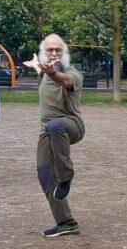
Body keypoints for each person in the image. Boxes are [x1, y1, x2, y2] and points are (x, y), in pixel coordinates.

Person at [23, 35, 85, 238]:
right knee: (45, 174)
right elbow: (46, 72)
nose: (54, 53)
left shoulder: (72, 73)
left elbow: (63, 80)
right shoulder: (44, 72)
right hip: (47, 131)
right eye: (50, 50)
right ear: (44, 53)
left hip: (71, 126)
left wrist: (52, 73)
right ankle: (66, 223)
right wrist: (37, 67)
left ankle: (66, 176)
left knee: (54, 124)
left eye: (58, 50)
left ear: (65, 53)